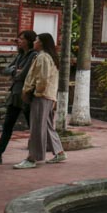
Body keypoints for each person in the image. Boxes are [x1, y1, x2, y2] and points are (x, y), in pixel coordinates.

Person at [0, 30, 38, 165]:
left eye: (21, 39)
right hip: (15, 94)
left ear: (29, 40)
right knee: (7, 125)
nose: (18, 41)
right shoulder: (20, 56)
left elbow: (23, 75)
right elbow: (7, 69)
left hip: (26, 95)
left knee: (33, 127)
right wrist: (14, 71)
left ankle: (35, 155)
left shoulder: (33, 55)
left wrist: (16, 72)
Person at [14, 33, 66, 169]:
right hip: (48, 96)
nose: (34, 42)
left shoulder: (43, 57)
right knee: (47, 125)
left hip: (41, 96)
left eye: (36, 40)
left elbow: (42, 78)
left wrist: (34, 92)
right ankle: (59, 151)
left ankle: (32, 158)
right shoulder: (49, 57)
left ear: (42, 43)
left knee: (37, 127)